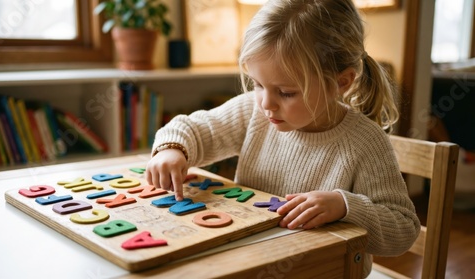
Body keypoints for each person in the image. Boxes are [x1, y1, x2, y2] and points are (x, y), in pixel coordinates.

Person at [146, 0, 420, 276]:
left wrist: (344, 205)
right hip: (252, 262)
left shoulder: (365, 142)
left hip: (324, 270)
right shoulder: (252, 111)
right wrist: (173, 148)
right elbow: (193, 129)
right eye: (257, 84)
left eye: (286, 92)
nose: (267, 104)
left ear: (341, 83)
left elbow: (403, 229)